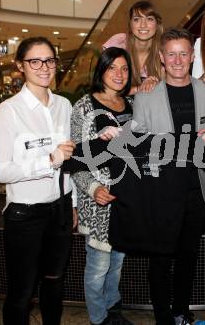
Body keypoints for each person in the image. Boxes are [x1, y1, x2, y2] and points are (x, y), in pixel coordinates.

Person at [132, 27, 205, 325]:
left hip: (196, 188)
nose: (178, 60)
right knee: (160, 259)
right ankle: (162, 317)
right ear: (161, 57)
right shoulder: (145, 98)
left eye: (184, 53)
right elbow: (137, 146)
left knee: (188, 256)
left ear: (192, 56)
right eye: (171, 54)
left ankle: (181, 311)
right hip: (161, 189)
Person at [0, 36, 77, 325]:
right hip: (25, 214)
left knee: (54, 281)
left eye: (49, 60)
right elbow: (0, 171)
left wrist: (72, 203)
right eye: (35, 61)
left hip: (60, 209)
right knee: (22, 292)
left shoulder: (64, 105)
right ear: (20, 66)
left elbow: (69, 159)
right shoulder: (9, 111)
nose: (44, 67)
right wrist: (48, 160)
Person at [70, 47, 134, 325]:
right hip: (98, 201)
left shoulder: (131, 105)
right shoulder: (84, 106)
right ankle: (99, 318)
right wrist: (93, 188)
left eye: (124, 68)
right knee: (98, 266)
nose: (119, 74)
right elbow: (75, 159)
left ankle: (112, 309)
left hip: (125, 199)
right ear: (101, 71)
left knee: (117, 263)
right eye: (112, 68)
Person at [103, 0, 164, 95]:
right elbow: (104, 89)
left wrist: (156, 84)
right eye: (137, 19)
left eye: (149, 19)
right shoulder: (118, 43)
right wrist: (140, 88)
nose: (143, 25)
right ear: (130, 24)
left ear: (157, 24)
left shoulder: (163, 53)